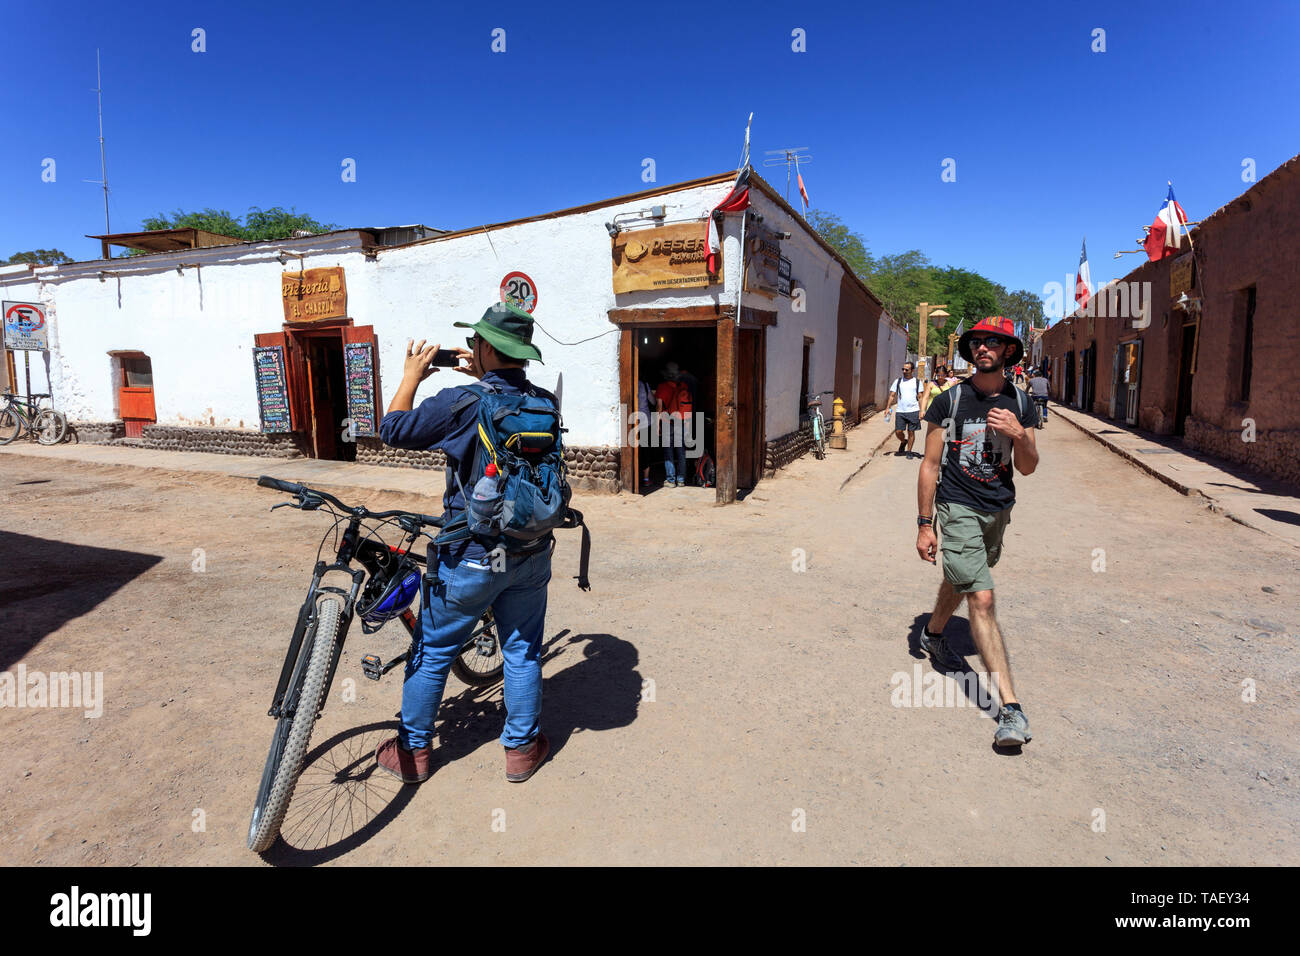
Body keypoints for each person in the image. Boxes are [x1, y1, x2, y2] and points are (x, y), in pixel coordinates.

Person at [374, 302, 556, 784]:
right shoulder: (543, 403)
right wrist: (485, 373)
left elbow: (391, 430)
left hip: (473, 556)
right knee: (521, 651)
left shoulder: (462, 400)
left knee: (434, 652)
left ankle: (412, 754)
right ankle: (520, 751)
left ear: (488, 348)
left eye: (478, 341)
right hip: (531, 550)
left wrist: (413, 375)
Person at [915, 316, 1040, 748]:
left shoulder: (1022, 404)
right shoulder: (949, 402)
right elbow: (929, 465)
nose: (982, 348)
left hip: (998, 509)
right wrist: (925, 524)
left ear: (1007, 351)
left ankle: (933, 635)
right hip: (957, 505)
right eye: (977, 343)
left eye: (993, 342)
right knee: (981, 598)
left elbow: (1027, 466)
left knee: (962, 575)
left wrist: (1019, 434)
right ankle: (1010, 709)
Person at [655, 362, 689, 487]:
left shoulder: (662, 387)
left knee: (668, 452)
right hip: (681, 421)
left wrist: (657, 425)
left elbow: (659, 407)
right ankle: (681, 480)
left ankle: (670, 480)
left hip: (666, 422)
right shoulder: (684, 386)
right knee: (681, 452)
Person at [885, 362, 923, 458]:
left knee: (911, 431)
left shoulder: (917, 382)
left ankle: (909, 452)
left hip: (914, 410)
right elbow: (892, 395)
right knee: (898, 431)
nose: (904, 371)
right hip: (900, 411)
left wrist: (922, 410)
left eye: (907, 370)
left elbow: (920, 397)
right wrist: (887, 407)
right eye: (903, 369)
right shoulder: (898, 381)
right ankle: (903, 441)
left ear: (912, 371)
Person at [637, 373, 657, 488]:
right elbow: (653, 402)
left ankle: (634, 476)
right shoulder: (644, 385)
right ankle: (645, 479)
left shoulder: (631, 383)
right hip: (645, 421)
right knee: (645, 450)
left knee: (634, 450)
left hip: (631, 421)